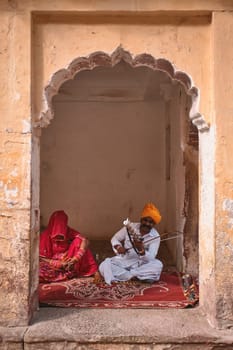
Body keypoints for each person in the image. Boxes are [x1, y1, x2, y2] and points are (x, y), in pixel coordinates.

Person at [99, 203, 163, 285]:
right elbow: (115, 238)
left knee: (158, 265)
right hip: (125, 260)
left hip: (141, 264)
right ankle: (137, 276)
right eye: (145, 220)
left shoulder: (156, 236)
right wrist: (118, 247)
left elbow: (151, 258)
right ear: (141, 219)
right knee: (104, 265)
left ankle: (127, 275)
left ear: (154, 224)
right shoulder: (130, 227)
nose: (147, 223)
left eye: (151, 222)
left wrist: (141, 250)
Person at [39, 210, 98, 283]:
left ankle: (92, 270)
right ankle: (67, 274)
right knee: (38, 273)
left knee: (79, 241)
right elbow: (40, 258)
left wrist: (75, 259)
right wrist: (56, 263)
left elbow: (85, 240)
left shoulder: (68, 231)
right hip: (52, 265)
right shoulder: (45, 236)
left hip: (69, 262)